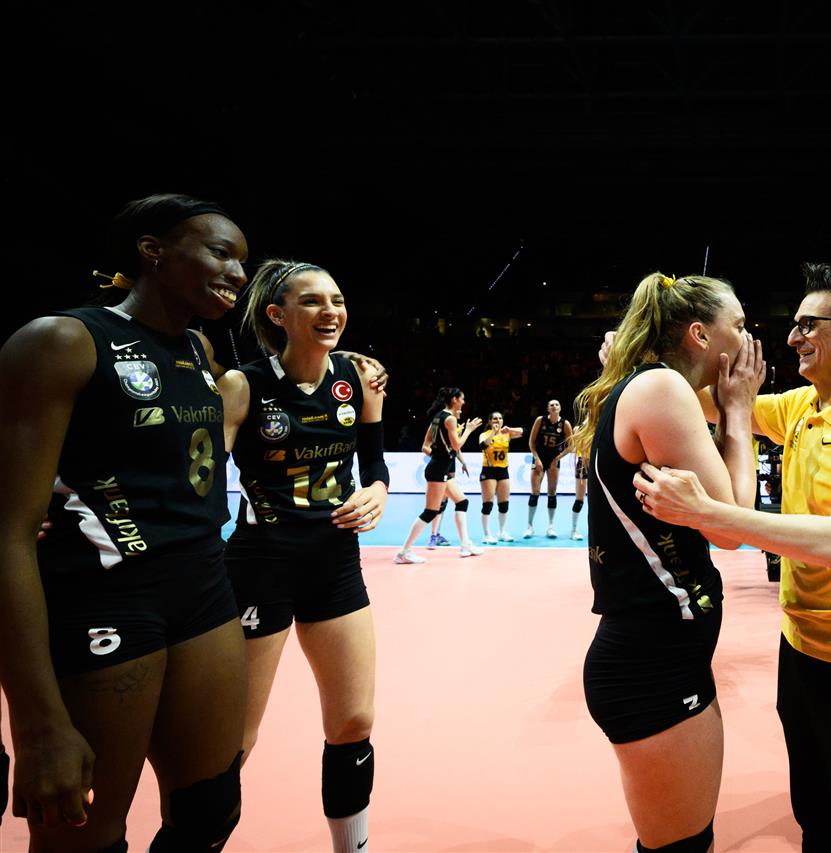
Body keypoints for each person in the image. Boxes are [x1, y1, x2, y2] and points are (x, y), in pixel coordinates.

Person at [635, 263, 831, 852]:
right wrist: (639, 356)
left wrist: (710, 514)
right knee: (813, 814)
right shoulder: (799, 406)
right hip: (799, 646)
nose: (791, 338)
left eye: (808, 325)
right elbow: (705, 402)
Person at [0, 194, 250, 852]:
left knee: (211, 810)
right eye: (221, 252)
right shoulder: (61, 341)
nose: (237, 272)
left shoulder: (198, 349)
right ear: (152, 251)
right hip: (105, 598)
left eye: (243, 262)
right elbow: (8, 532)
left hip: (205, 589)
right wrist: (36, 724)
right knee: (84, 836)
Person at [577, 272, 762, 853]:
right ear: (701, 335)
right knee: (679, 848)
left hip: (664, 653)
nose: (748, 336)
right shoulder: (661, 388)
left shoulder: (654, 386)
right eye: (739, 324)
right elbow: (731, 526)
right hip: (649, 662)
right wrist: (739, 411)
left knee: (686, 841)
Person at [219, 259, 388, 852]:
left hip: (336, 564)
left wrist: (377, 491)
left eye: (336, 300)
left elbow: (375, 463)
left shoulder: (360, 378)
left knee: (354, 722)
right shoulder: (242, 385)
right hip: (260, 566)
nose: (330, 311)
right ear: (278, 315)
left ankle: (351, 847)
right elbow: (200, 481)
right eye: (312, 301)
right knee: (234, 740)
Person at [395, 387, 484, 561]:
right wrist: (469, 429)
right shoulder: (450, 419)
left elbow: (427, 444)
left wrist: (440, 456)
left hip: (440, 467)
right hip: (438, 470)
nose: (464, 402)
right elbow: (457, 445)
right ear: (455, 400)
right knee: (430, 512)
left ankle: (465, 544)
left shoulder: (437, 417)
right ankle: (403, 552)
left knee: (462, 502)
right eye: (462, 398)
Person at [525, 399, 574, 538]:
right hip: (539, 458)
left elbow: (571, 445)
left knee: (552, 492)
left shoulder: (565, 424)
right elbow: (531, 442)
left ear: (560, 408)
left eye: (556, 404)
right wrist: (536, 458)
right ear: (548, 409)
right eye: (551, 405)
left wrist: (557, 459)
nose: (554, 406)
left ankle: (550, 527)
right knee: (535, 491)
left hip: (554, 460)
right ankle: (529, 526)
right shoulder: (540, 420)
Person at [478, 412, 523, 544]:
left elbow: (524, 432)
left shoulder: (506, 434)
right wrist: (493, 432)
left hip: (503, 471)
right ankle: (486, 535)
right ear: (490, 421)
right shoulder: (485, 434)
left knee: (504, 504)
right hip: (489, 471)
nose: (497, 420)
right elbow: (483, 445)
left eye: (500, 418)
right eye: (494, 419)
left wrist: (509, 429)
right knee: (488, 504)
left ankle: (502, 532)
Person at [570, 446, 590, 540]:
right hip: (583, 464)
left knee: (595, 501)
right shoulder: (581, 435)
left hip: (597, 462)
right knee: (579, 500)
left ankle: (594, 529)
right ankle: (574, 530)